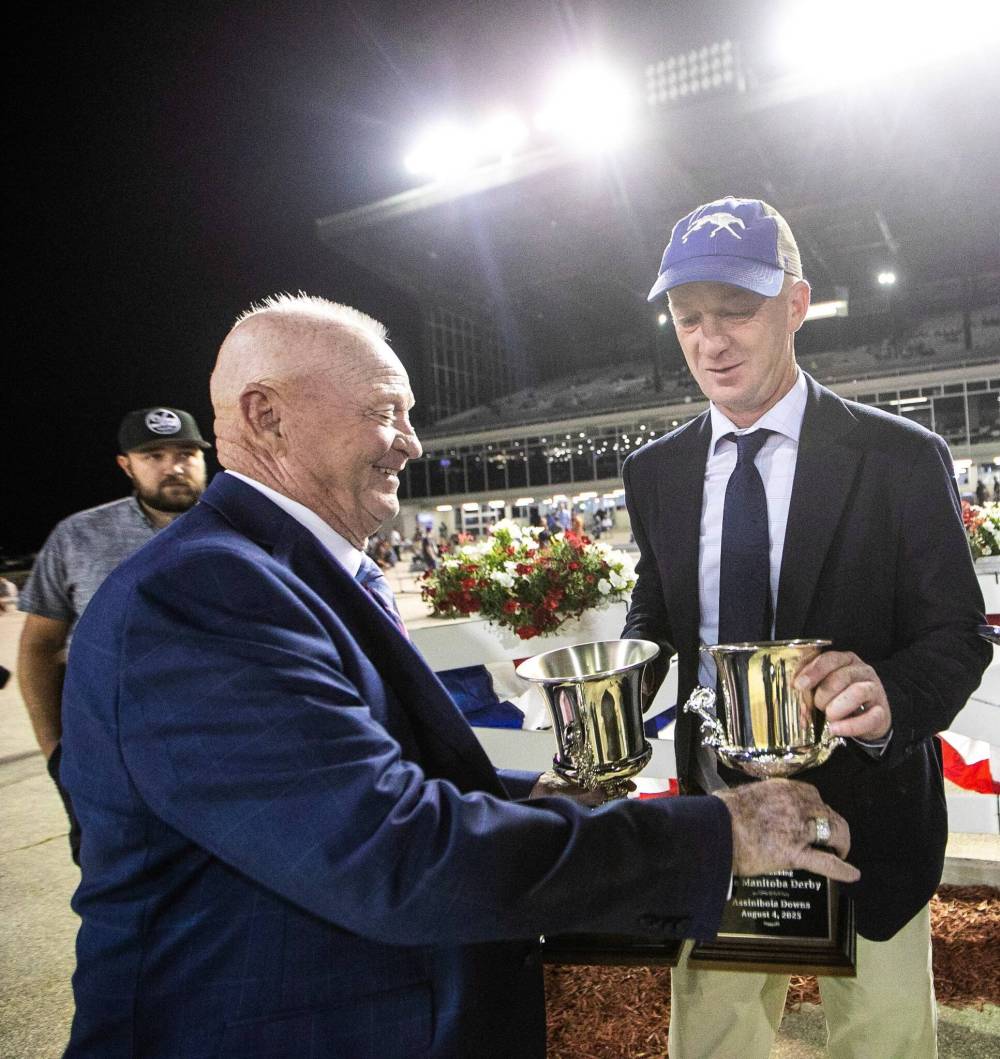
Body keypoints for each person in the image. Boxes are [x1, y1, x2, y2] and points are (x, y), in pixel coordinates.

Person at [60, 293, 857, 1059]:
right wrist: (722, 832)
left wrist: (532, 803)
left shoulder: (288, 572)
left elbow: (356, 789)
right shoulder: (203, 592)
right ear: (267, 416)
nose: (411, 442)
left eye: (409, 415)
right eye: (384, 411)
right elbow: (390, 855)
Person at [624, 197, 992, 1058]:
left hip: (869, 820)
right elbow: (657, 617)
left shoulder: (899, 457)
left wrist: (890, 693)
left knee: (886, 1043)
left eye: (737, 313)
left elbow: (958, 635)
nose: (709, 342)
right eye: (688, 318)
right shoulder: (656, 472)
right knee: (714, 1042)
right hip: (719, 818)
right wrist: (608, 690)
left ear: (796, 304)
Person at [17, 406, 209, 863]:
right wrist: (55, 751)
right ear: (126, 464)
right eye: (154, 456)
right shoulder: (79, 537)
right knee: (126, 900)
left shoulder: (245, 527)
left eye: (186, 453)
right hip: (111, 761)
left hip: (226, 753)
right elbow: (40, 645)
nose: (174, 467)